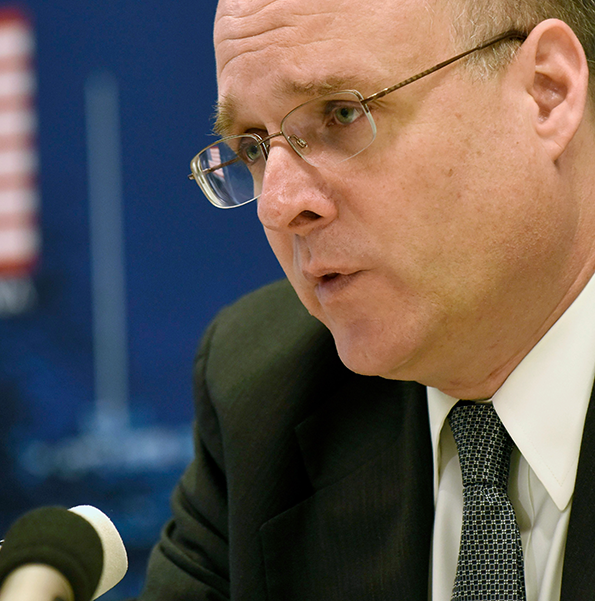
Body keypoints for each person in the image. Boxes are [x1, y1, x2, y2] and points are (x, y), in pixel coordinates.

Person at [137, 0, 595, 599]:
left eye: (341, 113)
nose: (278, 206)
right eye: (252, 147)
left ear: (546, 92)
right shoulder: (261, 399)